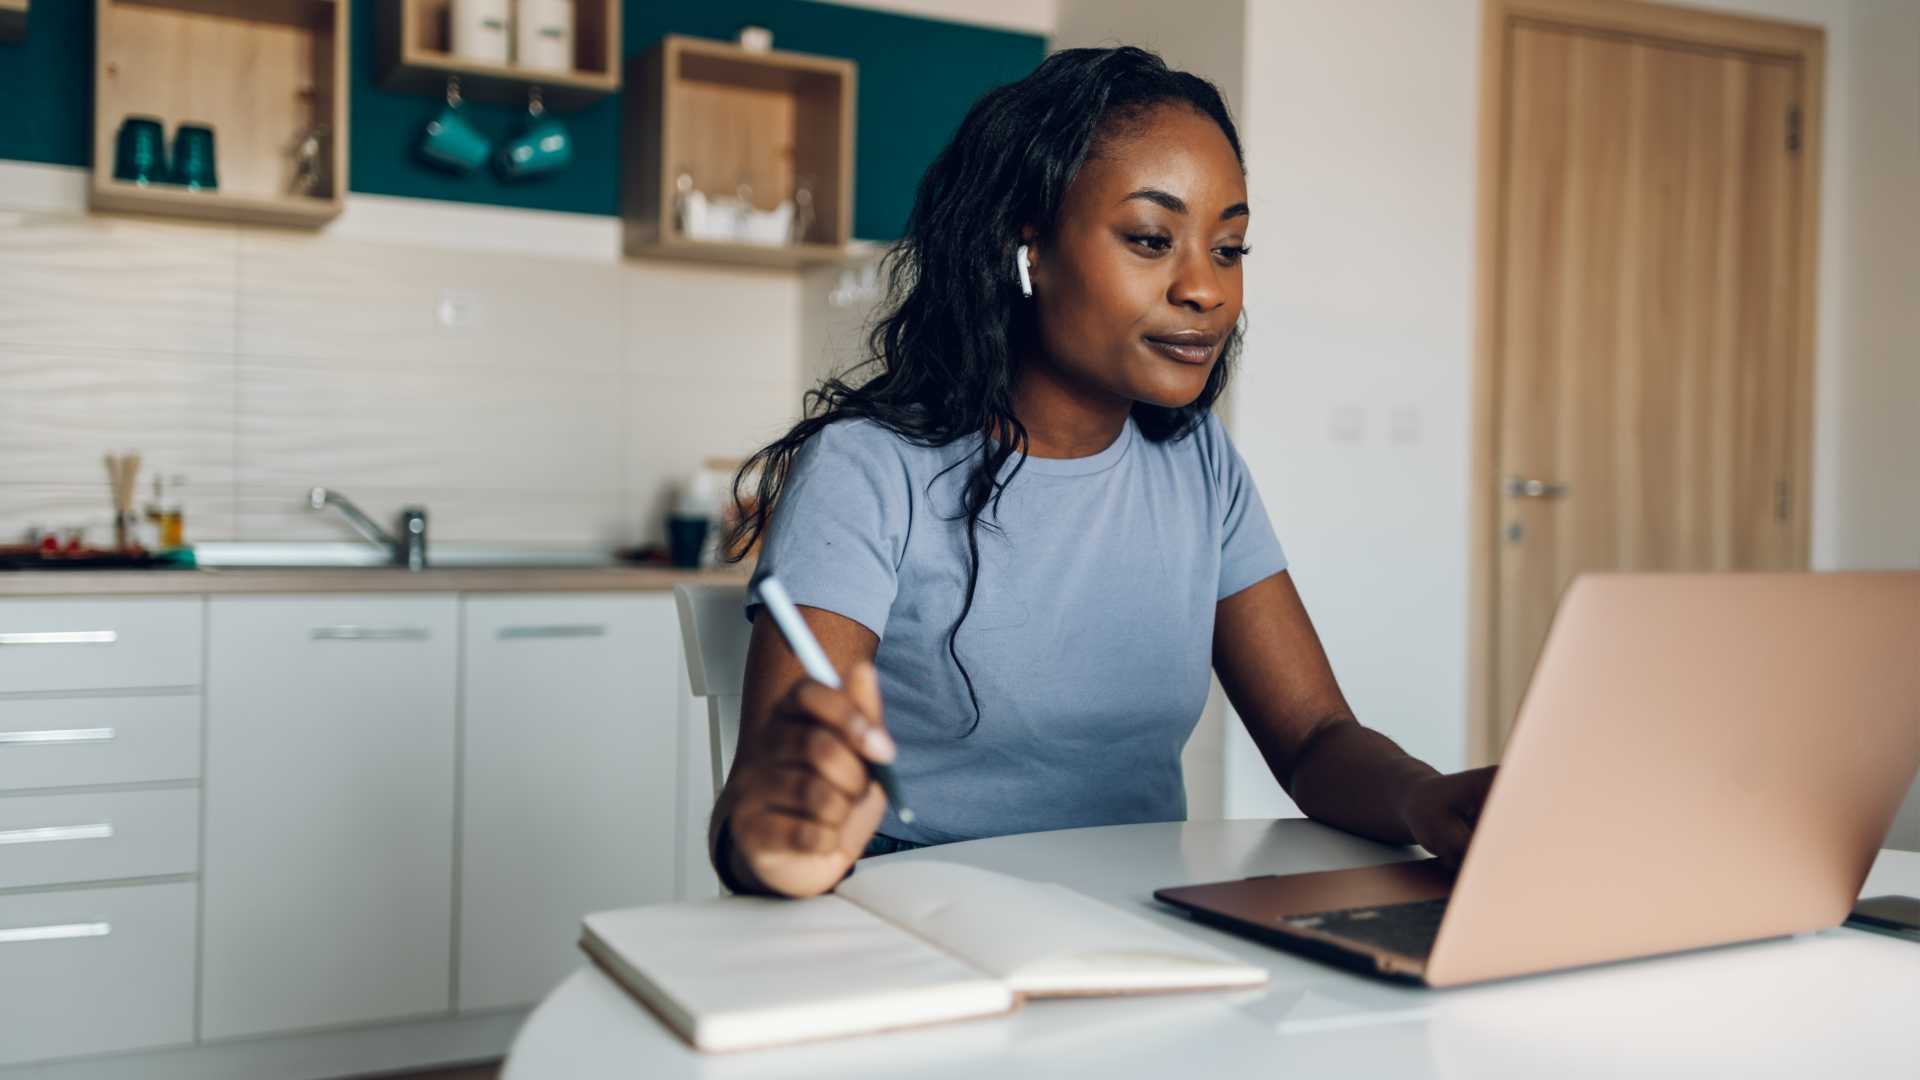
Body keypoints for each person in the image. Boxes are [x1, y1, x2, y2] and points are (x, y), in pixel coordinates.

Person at [710, 46, 1495, 899]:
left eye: (1229, 247)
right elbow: (761, 813)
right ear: (1029, 249)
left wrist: (1429, 800)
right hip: (915, 910)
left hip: (1143, 915)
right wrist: (781, 826)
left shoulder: (1198, 463)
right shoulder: (868, 469)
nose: (1206, 289)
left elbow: (1312, 736)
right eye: (1152, 240)